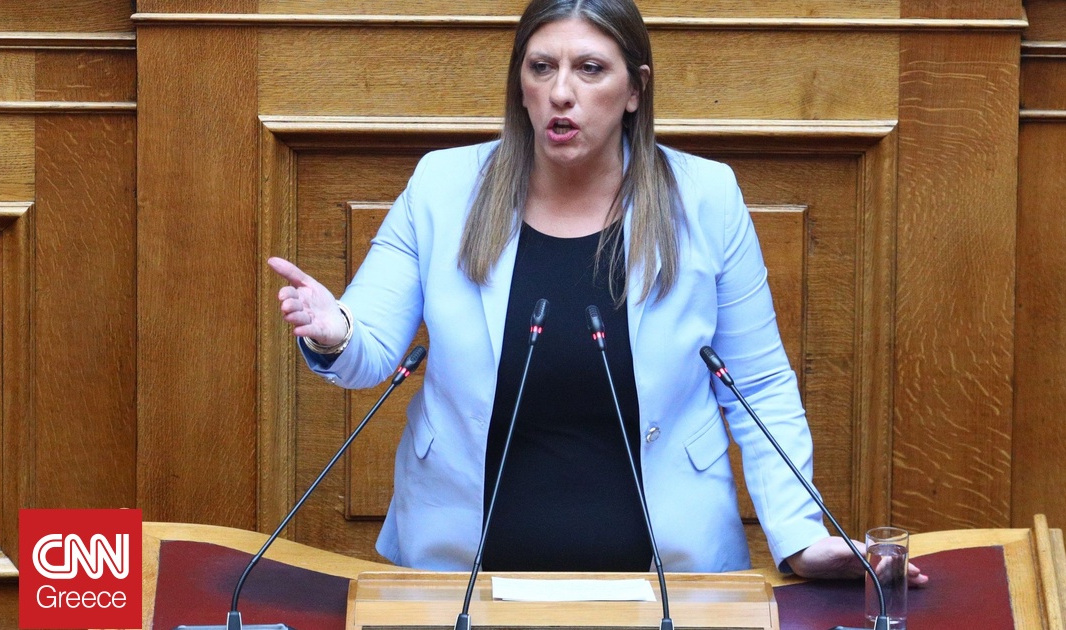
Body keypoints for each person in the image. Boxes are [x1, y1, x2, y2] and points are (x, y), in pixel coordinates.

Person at [270, 0, 926, 583]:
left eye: (590, 69)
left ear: (635, 89)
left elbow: (757, 386)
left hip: (669, 573)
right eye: (541, 68)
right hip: (461, 570)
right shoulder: (443, 188)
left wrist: (801, 536)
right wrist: (335, 332)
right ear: (520, 85)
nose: (561, 92)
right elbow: (369, 348)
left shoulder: (706, 198)